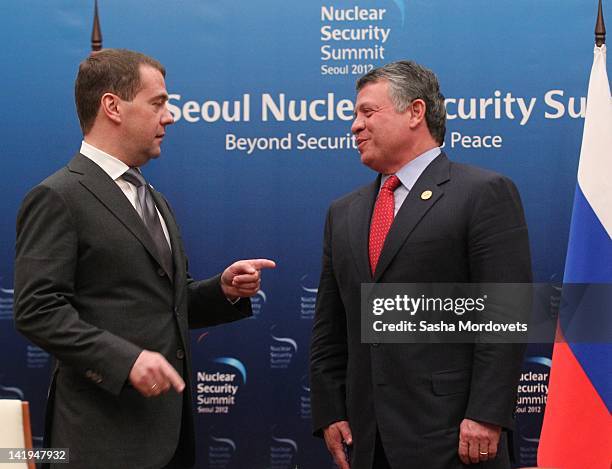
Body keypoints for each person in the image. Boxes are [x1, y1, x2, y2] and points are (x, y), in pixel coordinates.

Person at [14, 48, 275, 469]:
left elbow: (164, 304)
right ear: (112, 106)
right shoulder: (58, 197)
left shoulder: (155, 200)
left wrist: (221, 290)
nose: (170, 117)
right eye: (158, 103)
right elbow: (36, 309)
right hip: (100, 441)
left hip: (169, 439)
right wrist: (125, 360)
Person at [309, 61, 531, 468]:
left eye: (367, 112)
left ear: (415, 112)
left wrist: (486, 413)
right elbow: (330, 324)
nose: (355, 126)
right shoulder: (343, 213)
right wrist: (330, 409)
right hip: (368, 438)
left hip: (454, 438)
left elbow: (505, 314)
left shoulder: (483, 193)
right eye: (354, 115)